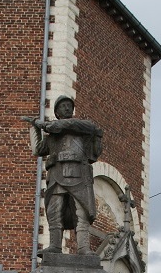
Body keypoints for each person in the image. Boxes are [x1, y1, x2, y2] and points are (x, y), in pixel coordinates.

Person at [23, 95, 103, 255]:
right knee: (54, 212)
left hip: (79, 176)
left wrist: (45, 124)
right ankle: (55, 246)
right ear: (57, 112)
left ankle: (84, 248)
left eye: (69, 105)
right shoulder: (52, 136)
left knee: (82, 213)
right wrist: (35, 128)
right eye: (62, 106)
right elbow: (38, 150)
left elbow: (77, 126)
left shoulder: (82, 127)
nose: (66, 108)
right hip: (57, 177)